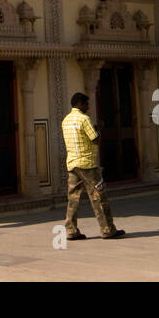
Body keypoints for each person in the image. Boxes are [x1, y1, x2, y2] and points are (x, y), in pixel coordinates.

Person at [61, 93, 125, 240]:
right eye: (86, 104)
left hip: (72, 163)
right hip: (88, 164)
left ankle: (71, 230)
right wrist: (100, 129)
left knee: (73, 198)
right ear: (80, 103)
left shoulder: (66, 120)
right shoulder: (84, 119)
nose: (88, 107)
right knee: (98, 196)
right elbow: (95, 139)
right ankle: (107, 229)